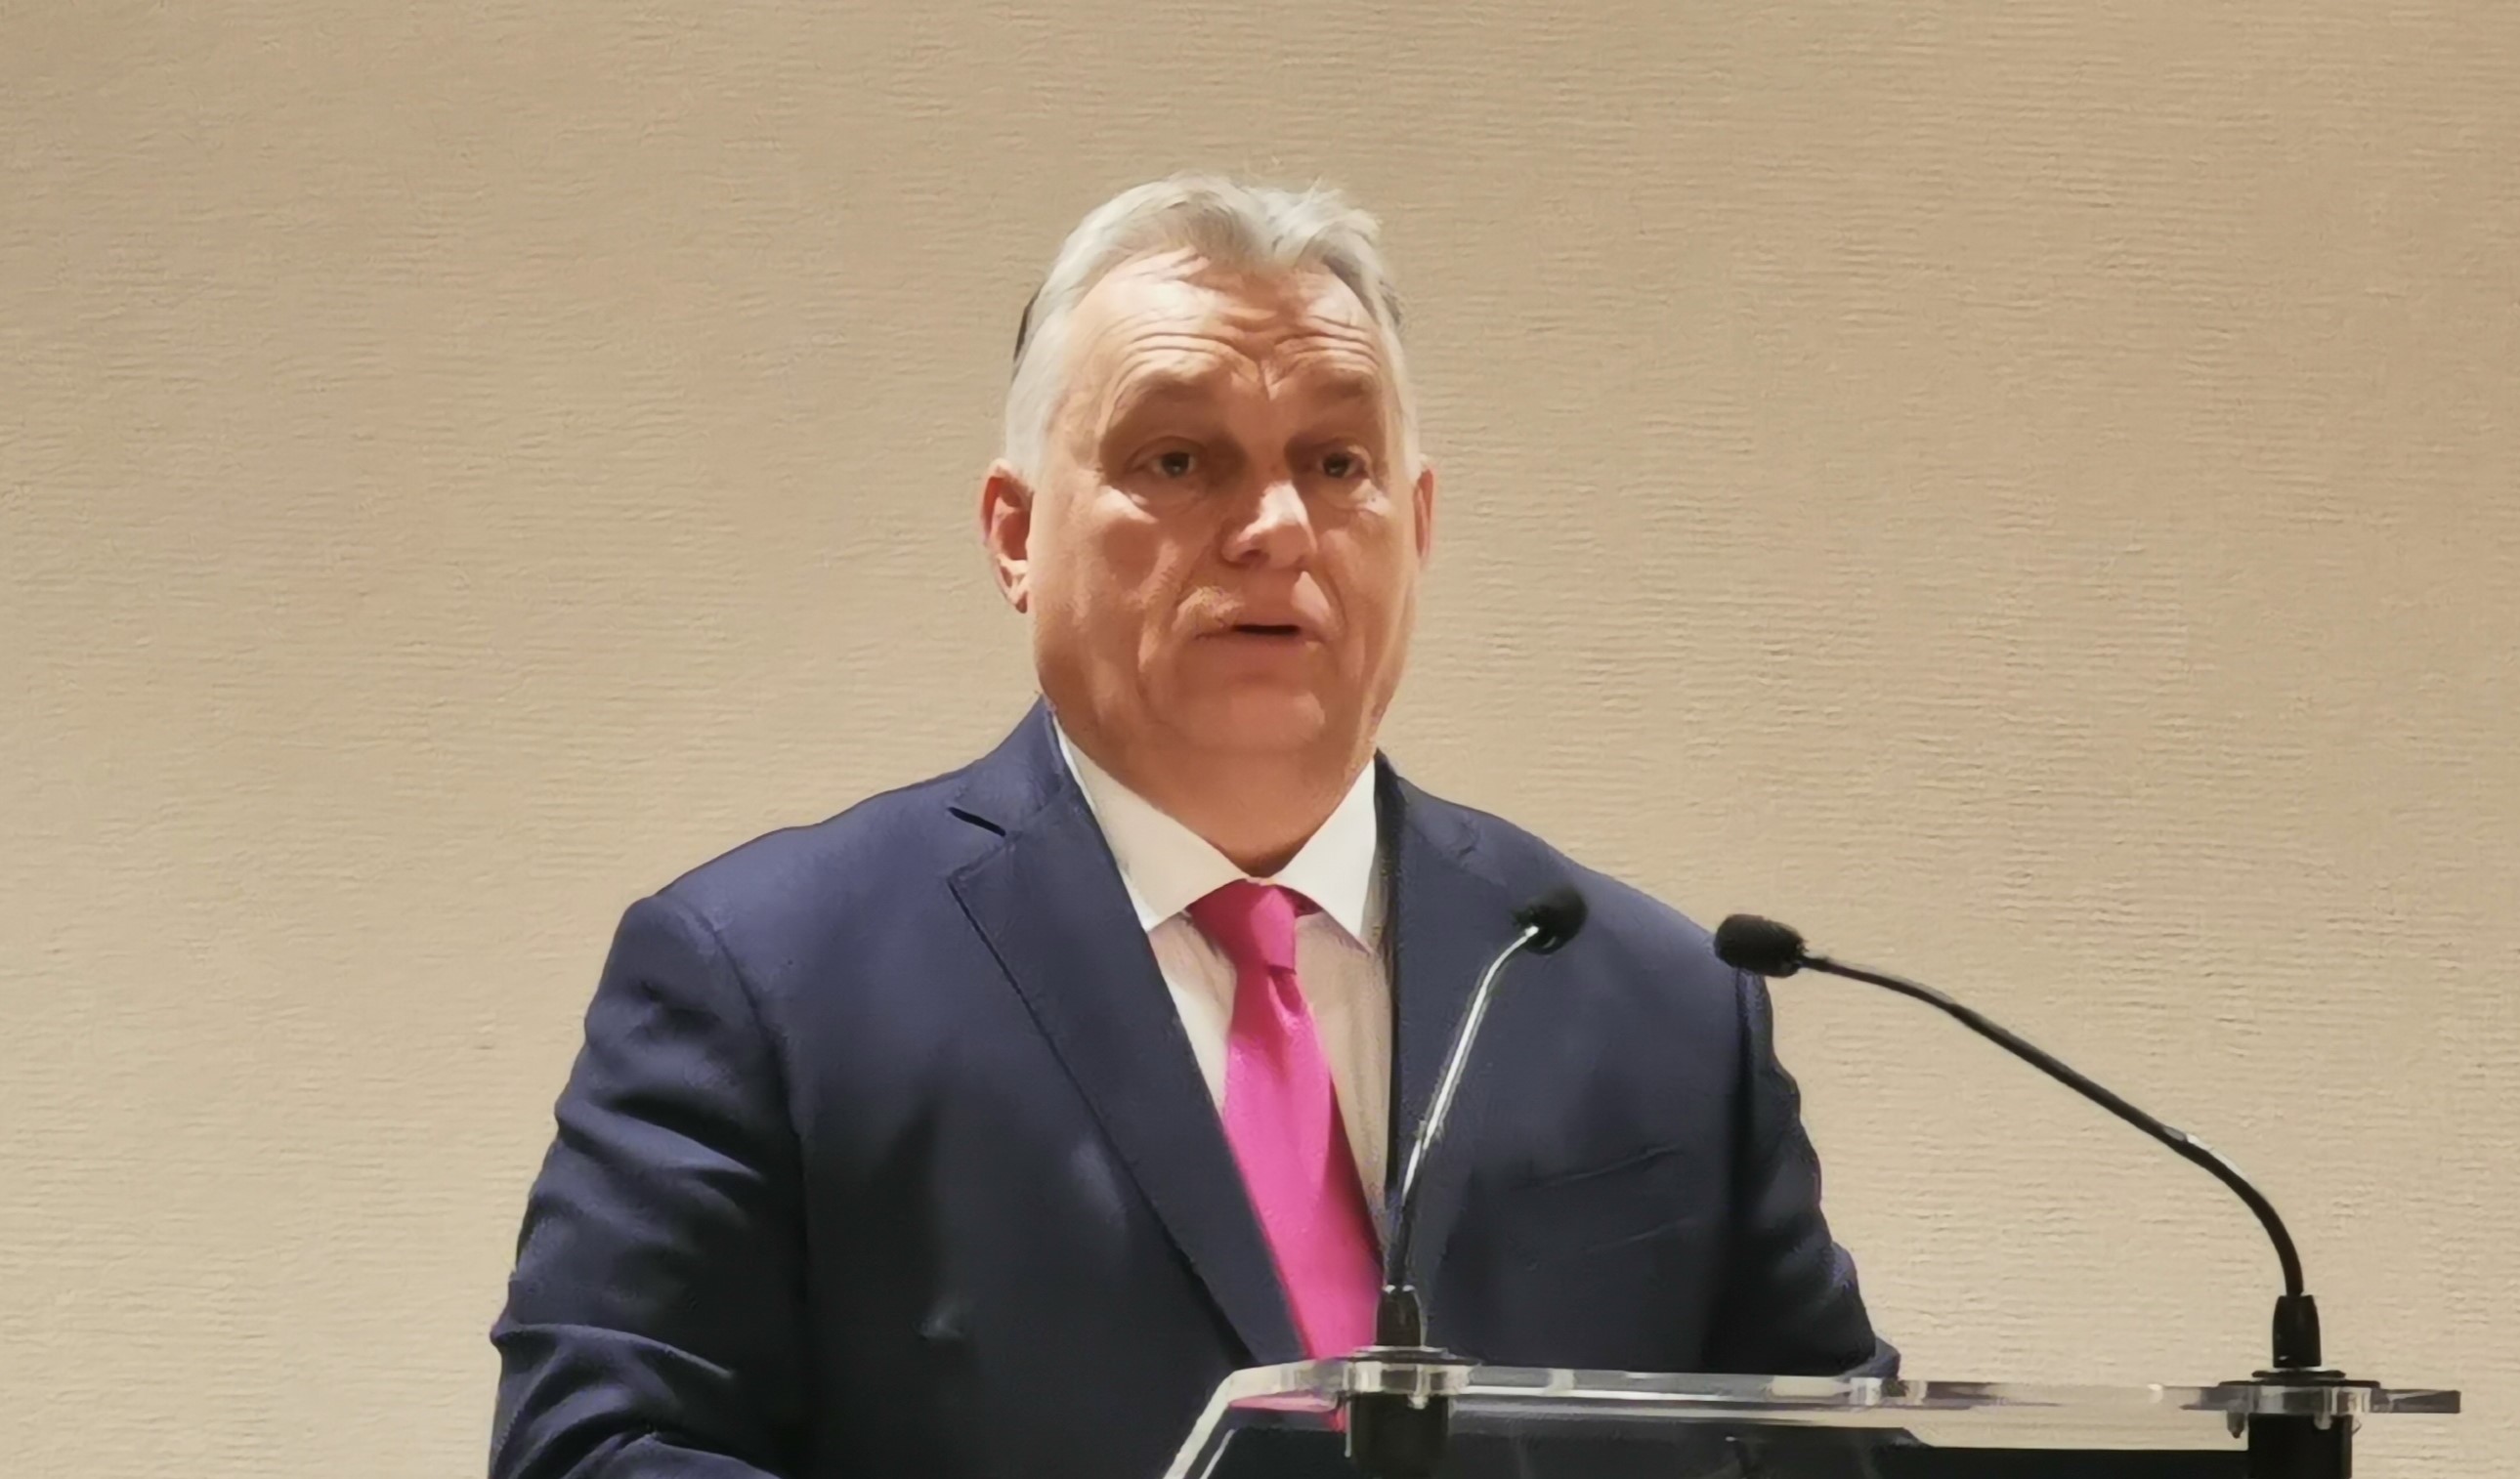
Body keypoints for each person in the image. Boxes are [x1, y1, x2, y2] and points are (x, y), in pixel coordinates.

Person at [490, 175, 1892, 1479]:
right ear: (1016, 534)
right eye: (1176, 460)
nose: (1275, 526)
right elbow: (600, 1449)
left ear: (1416, 526)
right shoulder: (767, 983)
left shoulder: (1658, 1005)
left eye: (1336, 462)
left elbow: (1845, 1449)